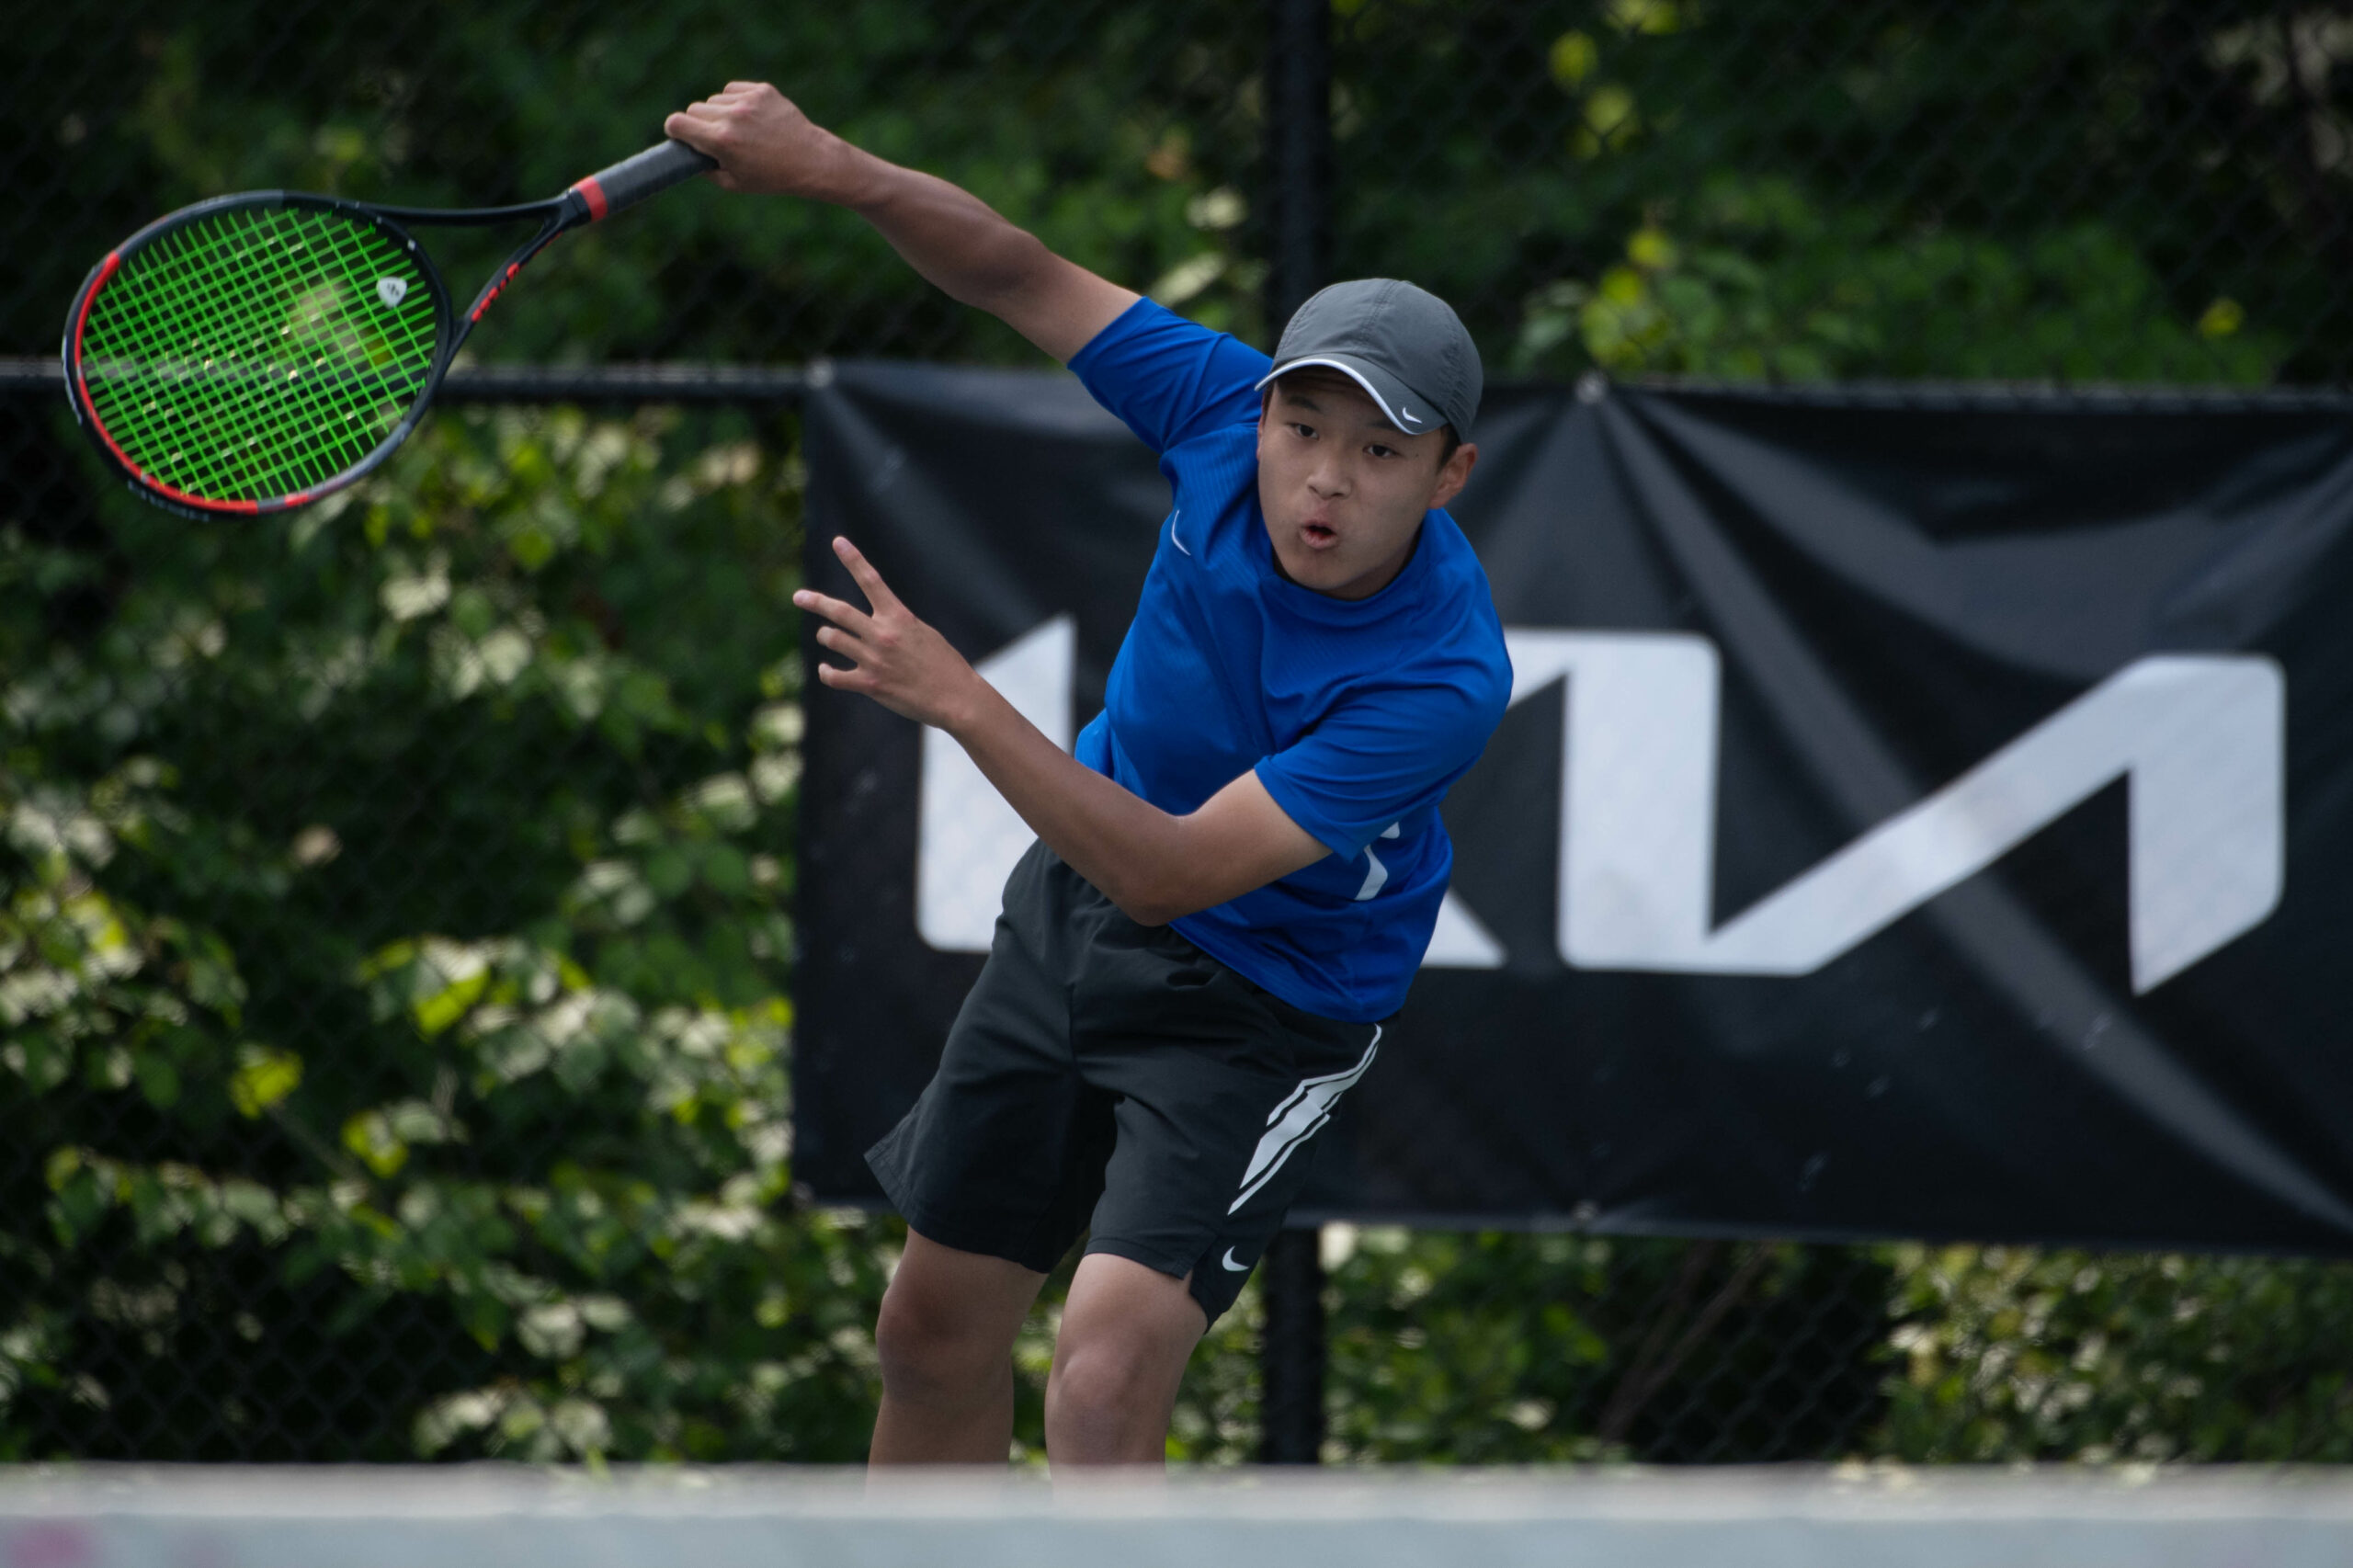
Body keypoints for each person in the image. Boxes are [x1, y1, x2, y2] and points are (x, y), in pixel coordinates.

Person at [665, 82, 1512, 1469]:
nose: (1325, 479)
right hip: (1076, 921)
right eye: (1303, 428)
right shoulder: (1214, 409)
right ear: (1263, 412)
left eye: (1380, 452)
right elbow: (1015, 270)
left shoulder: (1441, 678)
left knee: (1103, 1371)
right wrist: (831, 167)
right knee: (928, 1331)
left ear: (1449, 472)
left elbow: (1170, 871)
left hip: (1267, 1004)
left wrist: (960, 699)